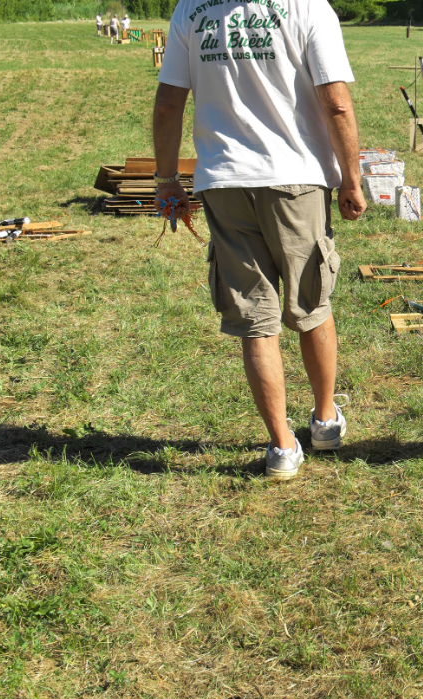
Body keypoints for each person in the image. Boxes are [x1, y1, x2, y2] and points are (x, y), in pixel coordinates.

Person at [151, 0, 367, 478]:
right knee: (311, 304)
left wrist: (167, 180)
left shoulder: (190, 9)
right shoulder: (309, 7)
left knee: (255, 318)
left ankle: (282, 446)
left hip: (224, 181)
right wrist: (352, 180)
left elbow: (168, 104)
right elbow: (336, 102)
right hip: (297, 180)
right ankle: (325, 421)